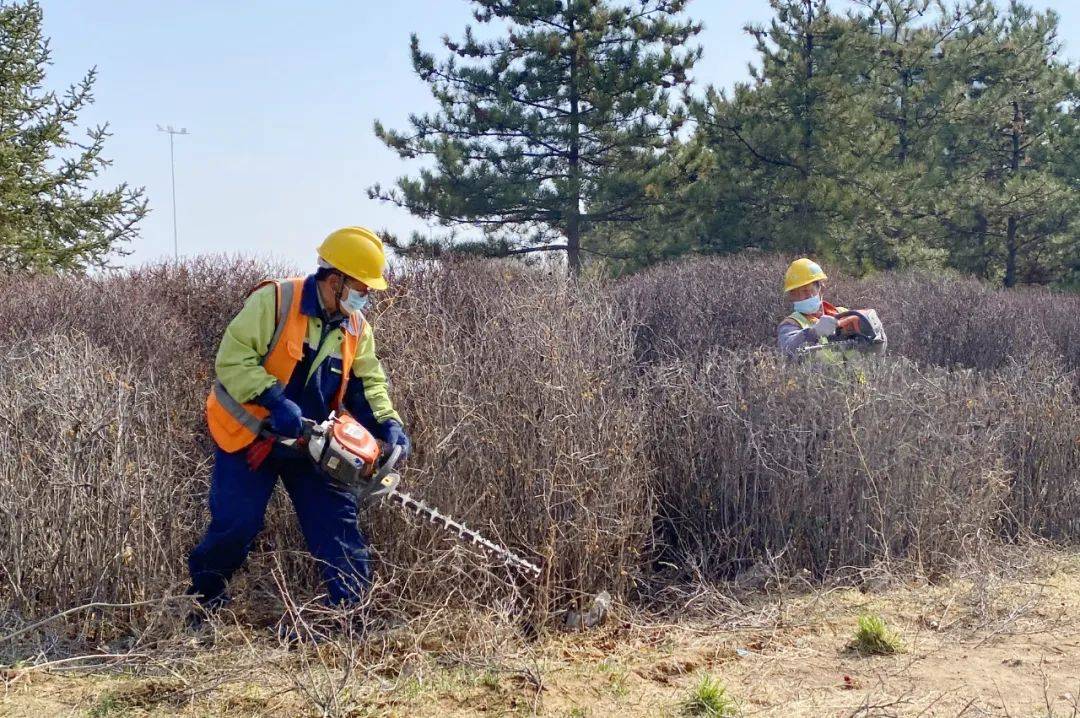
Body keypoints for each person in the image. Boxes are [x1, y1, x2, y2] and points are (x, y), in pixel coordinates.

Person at [187, 226, 410, 614]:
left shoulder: (356, 327)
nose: (366, 296)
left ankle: (351, 617)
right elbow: (233, 360)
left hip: (312, 444)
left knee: (336, 523)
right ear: (335, 279)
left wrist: (388, 425)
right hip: (251, 435)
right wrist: (274, 400)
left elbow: (368, 384)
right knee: (236, 525)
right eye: (361, 287)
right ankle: (204, 602)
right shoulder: (275, 300)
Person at [776, 258, 865, 358]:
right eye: (796, 293)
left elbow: (873, 345)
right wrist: (813, 333)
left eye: (807, 291)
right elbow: (787, 349)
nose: (803, 297)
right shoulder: (790, 323)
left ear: (821, 289)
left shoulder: (844, 313)